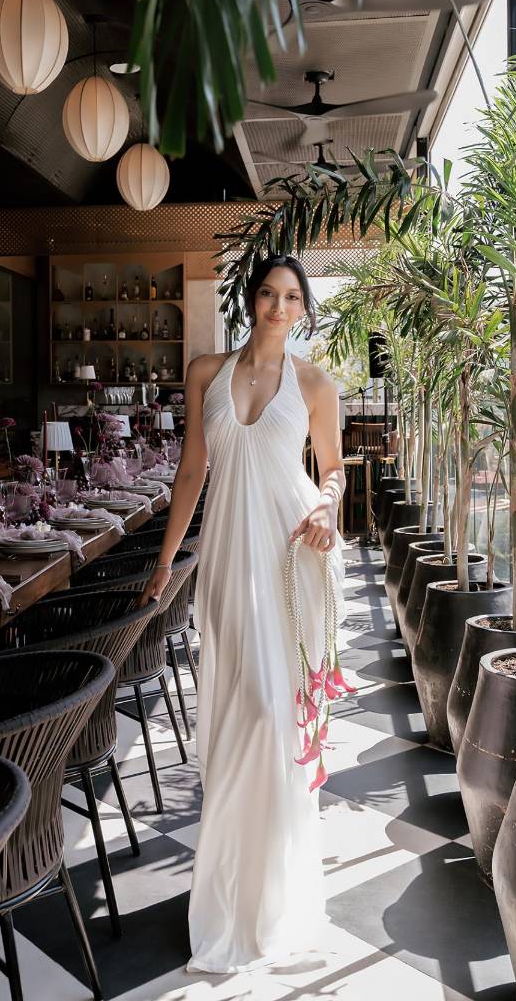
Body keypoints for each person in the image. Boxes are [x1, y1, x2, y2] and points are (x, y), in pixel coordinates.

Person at [139, 254, 346, 974]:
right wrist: (166, 562)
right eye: (268, 293)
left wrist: (326, 503)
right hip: (227, 557)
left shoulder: (316, 383)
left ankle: (272, 893)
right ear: (250, 300)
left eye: (292, 297)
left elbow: (332, 469)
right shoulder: (206, 372)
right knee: (234, 711)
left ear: (304, 308)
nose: (278, 306)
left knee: (269, 708)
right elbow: (192, 471)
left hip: (289, 553)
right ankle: (225, 889)